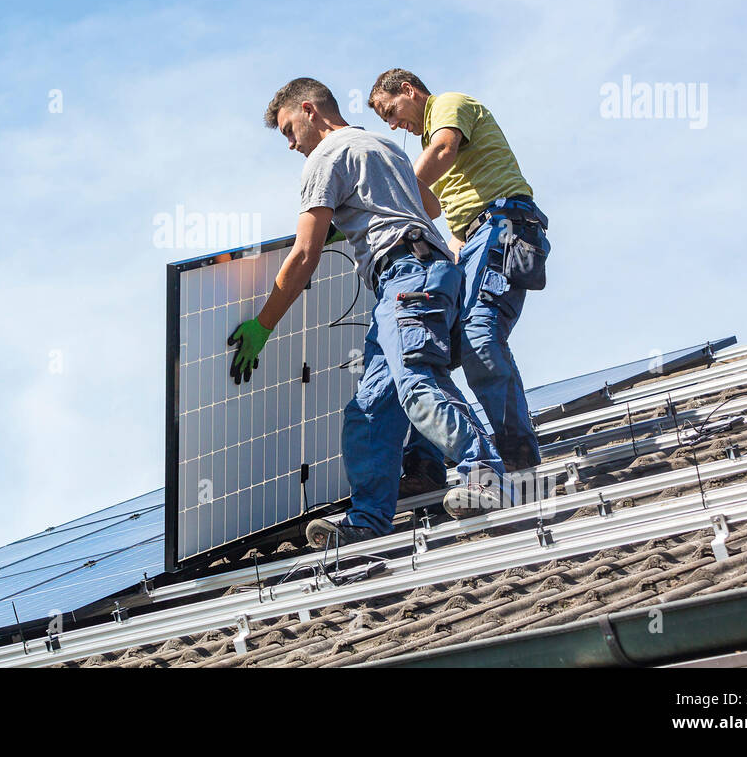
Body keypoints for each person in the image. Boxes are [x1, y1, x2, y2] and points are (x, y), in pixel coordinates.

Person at [228, 77, 505, 548]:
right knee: (370, 407)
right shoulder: (383, 145)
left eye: (289, 130)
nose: (291, 144)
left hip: (405, 276)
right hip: (424, 274)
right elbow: (430, 205)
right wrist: (368, 211)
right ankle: (369, 519)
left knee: (417, 381)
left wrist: (263, 324)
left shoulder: (325, 156)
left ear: (310, 110)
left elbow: (304, 254)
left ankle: (486, 476)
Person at [368, 69, 550, 471]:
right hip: (475, 238)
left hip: (502, 224)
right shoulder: (427, 142)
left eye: (391, 112)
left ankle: (517, 453)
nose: (394, 124)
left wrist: (395, 188)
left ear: (408, 90)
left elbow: (444, 149)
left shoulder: (449, 105)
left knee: (479, 336)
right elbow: (450, 218)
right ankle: (429, 463)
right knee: (433, 349)